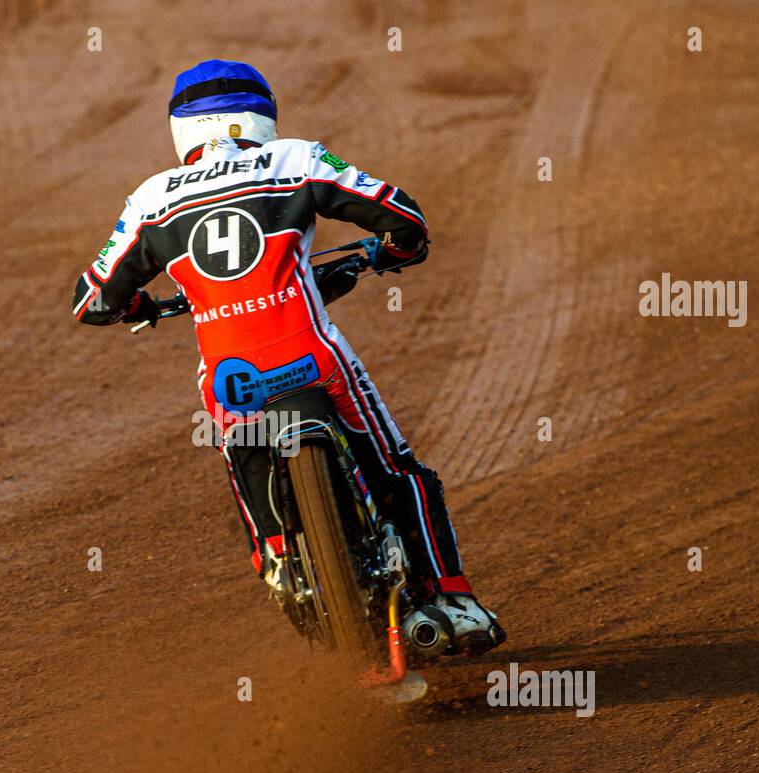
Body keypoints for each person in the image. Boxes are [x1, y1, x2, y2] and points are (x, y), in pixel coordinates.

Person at [71, 59, 504, 656]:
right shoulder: (295, 160)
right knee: (402, 475)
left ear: (180, 128)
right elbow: (401, 214)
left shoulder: (151, 199)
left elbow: (91, 301)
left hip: (232, 380)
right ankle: (453, 599)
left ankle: (276, 555)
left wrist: (136, 305)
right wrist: (399, 248)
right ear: (262, 116)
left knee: (244, 460)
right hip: (312, 357)